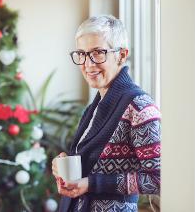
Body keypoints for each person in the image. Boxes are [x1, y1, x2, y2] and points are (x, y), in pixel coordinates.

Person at [51, 15, 161, 212]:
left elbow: (158, 178)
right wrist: (62, 164)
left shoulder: (140, 107)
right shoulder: (94, 107)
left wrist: (93, 184)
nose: (88, 64)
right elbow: (92, 166)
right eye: (82, 54)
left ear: (121, 55)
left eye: (98, 53)